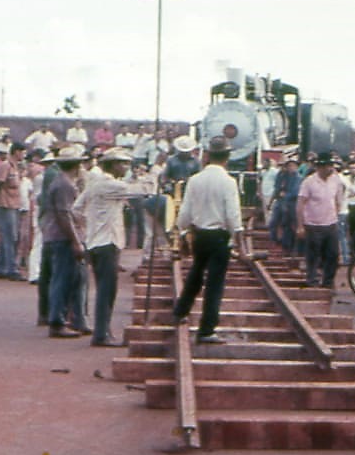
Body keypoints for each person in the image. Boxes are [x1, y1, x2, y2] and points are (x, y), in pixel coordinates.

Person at [74, 147, 153, 346]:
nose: (126, 167)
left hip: (97, 241)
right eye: (123, 163)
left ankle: (104, 331)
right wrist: (149, 177)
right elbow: (143, 190)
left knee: (105, 288)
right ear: (112, 165)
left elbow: (76, 208)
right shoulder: (110, 185)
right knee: (107, 290)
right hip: (107, 242)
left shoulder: (95, 184)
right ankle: (101, 334)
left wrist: (91, 224)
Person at [171, 135, 246, 344]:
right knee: (215, 283)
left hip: (200, 235)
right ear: (227, 157)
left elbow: (184, 213)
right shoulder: (228, 182)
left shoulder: (195, 180)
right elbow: (233, 215)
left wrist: (183, 232)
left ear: (207, 156)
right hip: (219, 237)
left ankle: (180, 311)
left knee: (196, 274)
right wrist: (238, 237)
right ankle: (206, 330)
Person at [42, 147, 90, 338]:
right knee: (63, 279)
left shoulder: (63, 182)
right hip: (64, 238)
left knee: (76, 279)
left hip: (64, 236)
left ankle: (76, 319)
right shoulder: (64, 185)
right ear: (77, 165)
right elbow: (64, 216)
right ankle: (57, 321)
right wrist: (75, 241)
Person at [295, 151, 346, 288]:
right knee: (313, 255)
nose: (330, 169)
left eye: (331, 166)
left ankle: (328, 282)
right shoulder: (309, 182)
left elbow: (338, 199)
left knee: (333, 255)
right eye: (327, 166)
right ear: (319, 167)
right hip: (313, 224)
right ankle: (312, 280)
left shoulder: (336, 180)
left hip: (330, 223)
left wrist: (336, 213)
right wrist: (300, 226)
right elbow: (300, 204)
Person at [0, 144, 28, 281]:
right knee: (10, 237)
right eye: (23, 152)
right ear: (17, 152)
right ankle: (11, 268)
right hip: (6, 205)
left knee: (9, 237)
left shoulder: (16, 166)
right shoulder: (6, 166)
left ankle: (1, 268)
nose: (24, 155)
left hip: (14, 204)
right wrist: (1, 198)